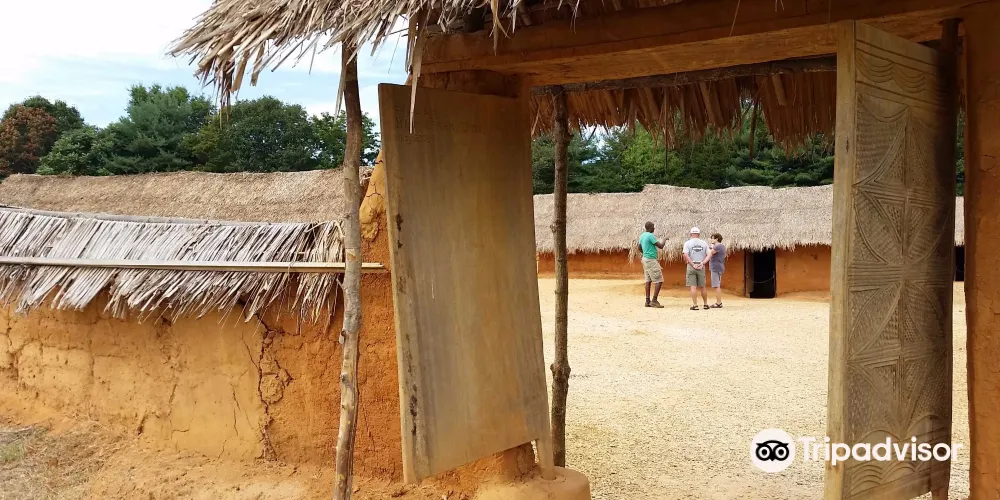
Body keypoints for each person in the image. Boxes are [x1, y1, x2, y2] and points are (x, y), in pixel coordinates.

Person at [638, 221, 666, 308]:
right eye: (653, 227)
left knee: (648, 280)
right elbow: (660, 246)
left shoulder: (642, 236)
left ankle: (647, 301)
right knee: (659, 280)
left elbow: (639, 248)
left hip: (645, 259)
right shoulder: (650, 236)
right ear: (650, 228)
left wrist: (645, 253)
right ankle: (654, 300)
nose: (654, 228)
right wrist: (664, 239)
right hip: (651, 260)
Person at [683, 227, 711, 310]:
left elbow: (685, 254)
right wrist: (702, 263)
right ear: (699, 234)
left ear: (691, 234)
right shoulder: (704, 243)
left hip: (691, 266)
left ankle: (695, 305)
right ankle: (705, 304)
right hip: (701, 266)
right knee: (703, 286)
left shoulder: (687, 243)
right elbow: (709, 254)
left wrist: (692, 264)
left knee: (693, 286)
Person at [707, 233, 727, 308]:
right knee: (717, 285)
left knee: (716, 285)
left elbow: (710, 253)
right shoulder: (721, 246)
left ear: (717, 239)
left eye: (713, 238)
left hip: (716, 267)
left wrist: (710, 247)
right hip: (719, 267)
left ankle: (719, 303)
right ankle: (719, 302)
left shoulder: (718, 246)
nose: (711, 240)